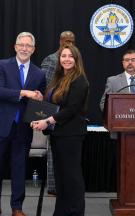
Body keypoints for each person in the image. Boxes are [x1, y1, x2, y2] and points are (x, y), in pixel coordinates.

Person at [0, 32, 46, 216]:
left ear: (33, 49)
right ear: (15, 47)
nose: (24, 48)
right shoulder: (2, 65)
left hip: (23, 128)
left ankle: (17, 208)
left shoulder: (39, 73)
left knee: (19, 169)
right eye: (21, 45)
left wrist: (40, 98)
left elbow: (38, 102)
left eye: (28, 46)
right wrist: (23, 92)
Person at [32, 45, 89, 216]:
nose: (66, 59)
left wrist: (47, 121)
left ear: (76, 59)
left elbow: (71, 110)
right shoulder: (59, 78)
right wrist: (39, 109)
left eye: (70, 56)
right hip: (58, 134)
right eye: (63, 56)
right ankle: (61, 213)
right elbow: (52, 104)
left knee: (72, 177)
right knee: (61, 176)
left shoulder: (80, 80)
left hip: (71, 134)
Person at [41, 31, 75, 195]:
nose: (68, 42)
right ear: (60, 41)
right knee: (53, 154)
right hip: (54, 112)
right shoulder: (51, 59)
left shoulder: (74, 59)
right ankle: (54, 187)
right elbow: (45, 87)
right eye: (66, 40)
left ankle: (65, 185)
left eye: (72, 40)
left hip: (71, 115)